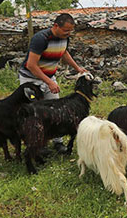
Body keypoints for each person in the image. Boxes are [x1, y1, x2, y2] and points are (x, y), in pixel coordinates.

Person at [18, 13, 87, 153]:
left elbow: (64, 53)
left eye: (70, 31)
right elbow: (31, 65)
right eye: (66, 30)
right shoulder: (41, 39)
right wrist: (49, 82)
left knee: (57, 111)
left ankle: (58, 141)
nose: (68, 33)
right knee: (34, 112)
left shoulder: (64, 38)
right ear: (56, 26)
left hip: (49, 76)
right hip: (31, 79)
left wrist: (77, 68)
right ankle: (35, 144)